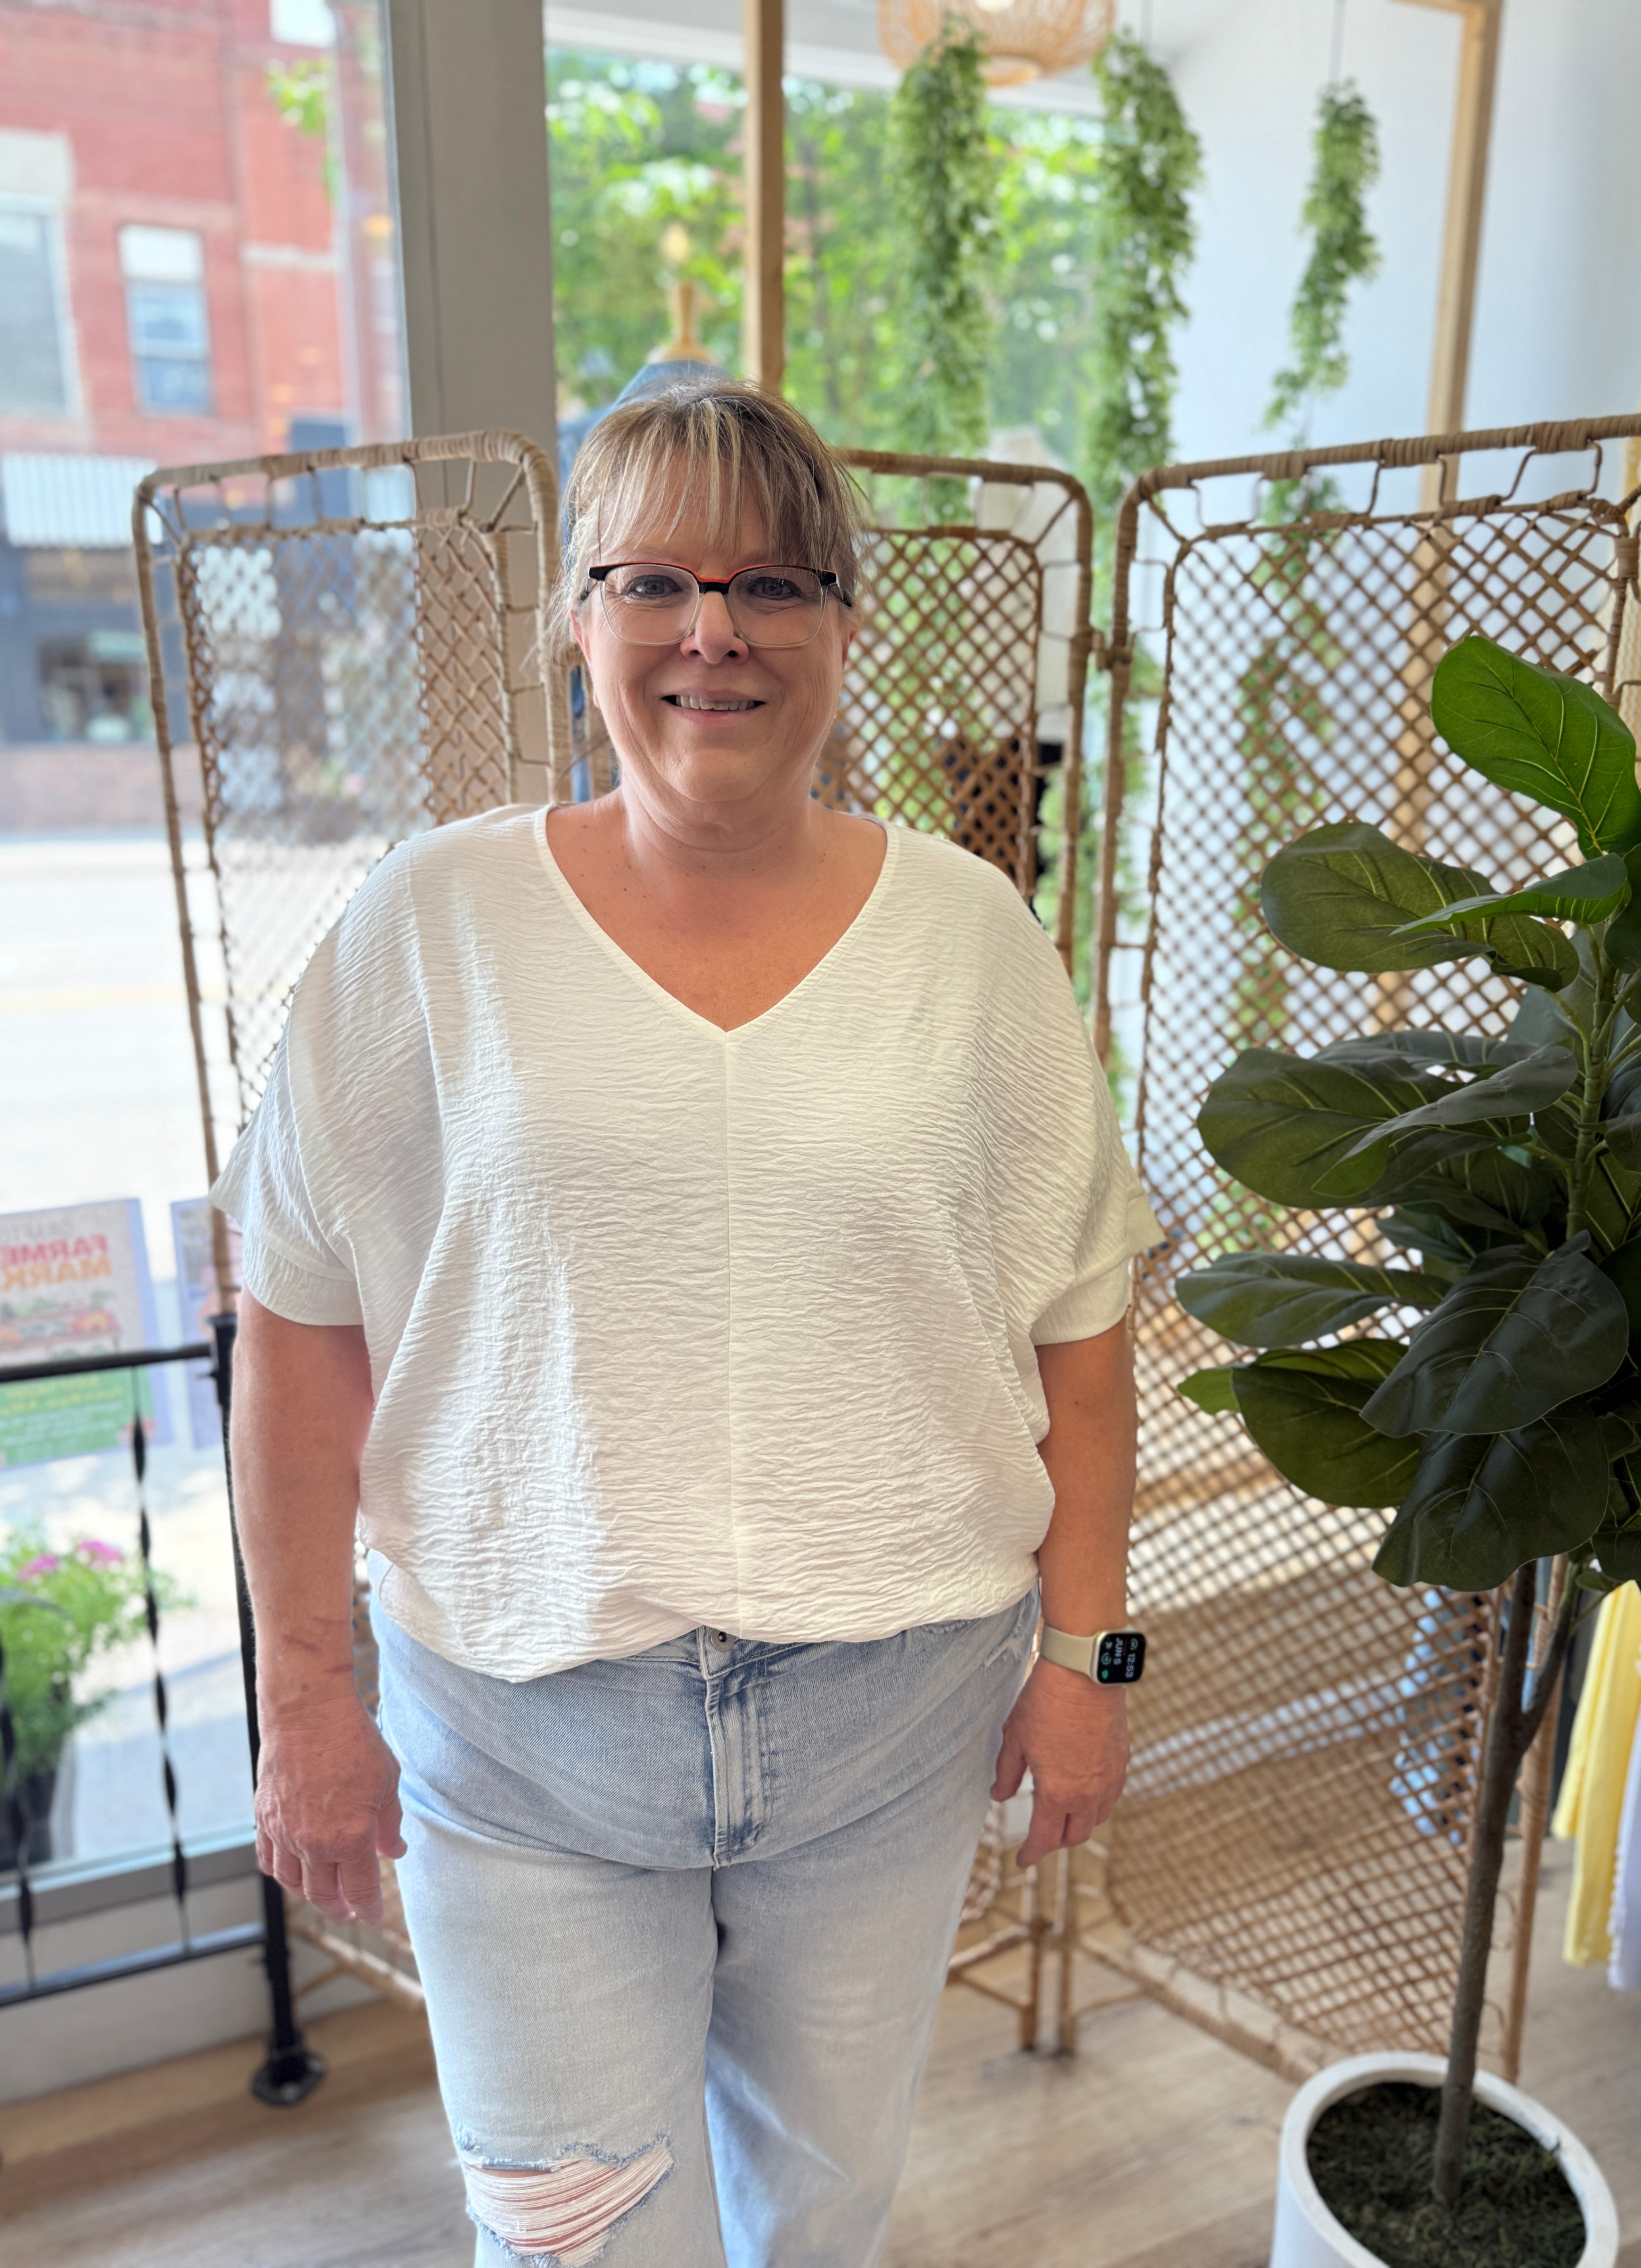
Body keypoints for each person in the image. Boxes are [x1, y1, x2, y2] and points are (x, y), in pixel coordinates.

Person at [216, 378, 1159, 2268]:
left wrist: (1091, 1660)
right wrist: (307, 1694)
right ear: (575, 619)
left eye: (773, 583)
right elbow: (300, 1327)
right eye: (650, 578)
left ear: (841, 626)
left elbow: (1079, 1332)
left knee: (820, 2219)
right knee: (574, 2243)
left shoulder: (971, 938)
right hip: (523, 1744)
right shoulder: (429, 929)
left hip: (889, 1725)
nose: (711, 629)